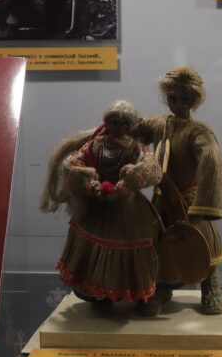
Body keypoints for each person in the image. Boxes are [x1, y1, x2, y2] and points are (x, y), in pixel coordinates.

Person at [41, 100, 166, 315]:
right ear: (106, 122)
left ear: (131, 126)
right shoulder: (94, 146)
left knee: (135, 252)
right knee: (95, 250)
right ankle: (102, 295)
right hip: (97, 206)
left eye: (124, 123)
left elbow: (152, 168)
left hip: (128, 209)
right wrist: (91, 185)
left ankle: (141, 296)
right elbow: (71, 165)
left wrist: (129, 181)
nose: (118, 127)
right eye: (113, 122)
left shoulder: (136, 148)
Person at [136, 66, 222, 313]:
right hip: (161, 200)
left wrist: (204, 205)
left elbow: (211, 161)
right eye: (173, 98)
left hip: (189, 202)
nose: (178, 103)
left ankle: (212, 287)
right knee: (157, 244)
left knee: (203, 244)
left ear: (194, 100)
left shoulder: (199, 133)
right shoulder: (159, 125)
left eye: (185, 98)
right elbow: (133, 131)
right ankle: (160, 288)